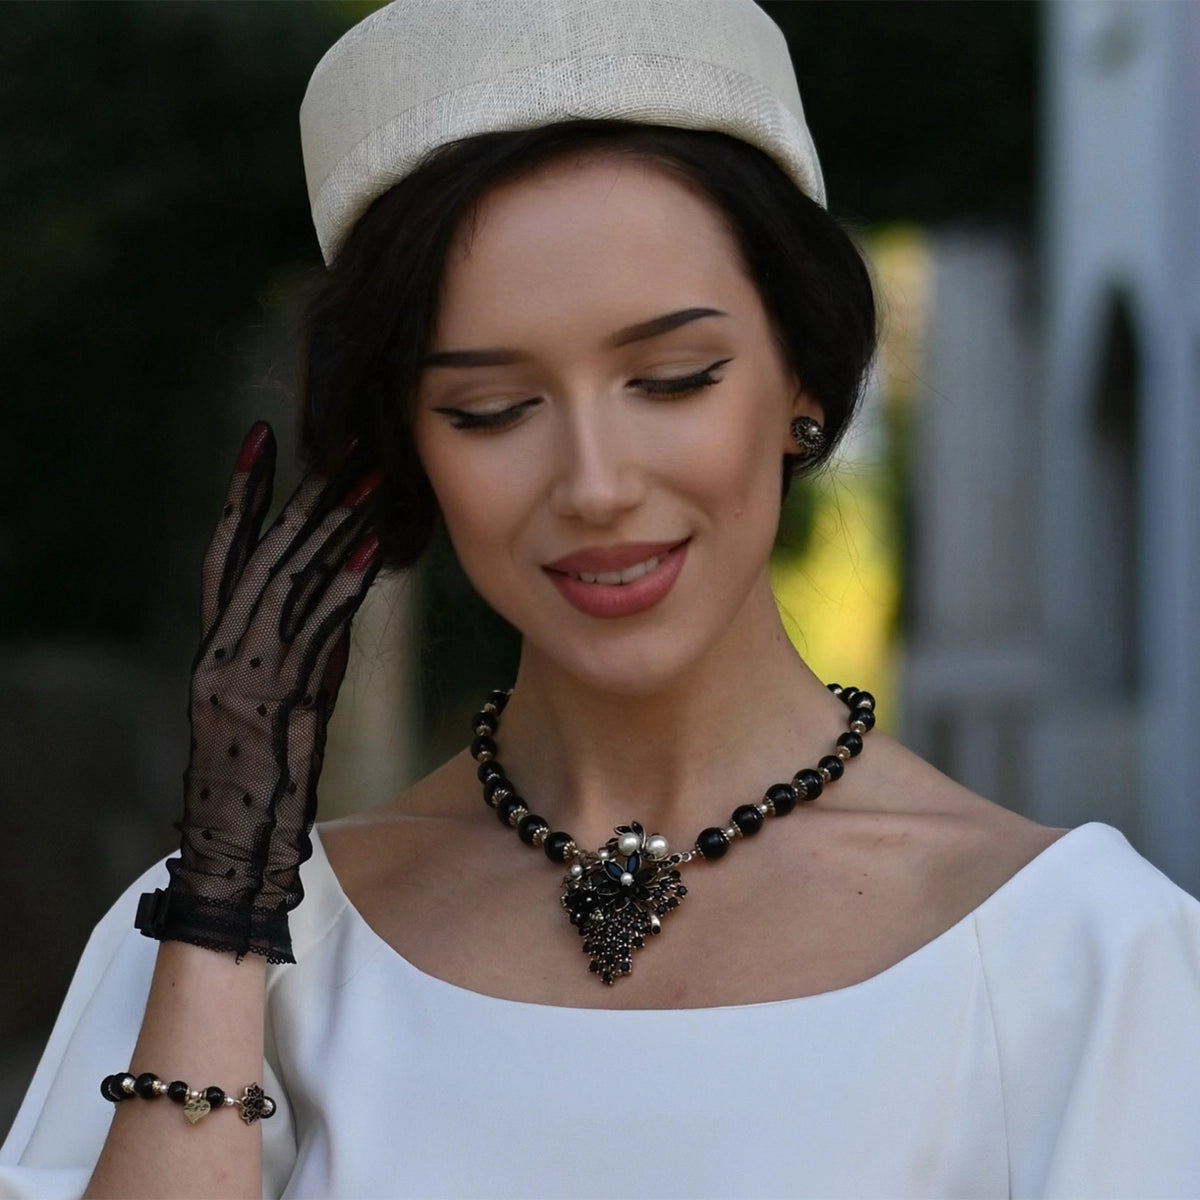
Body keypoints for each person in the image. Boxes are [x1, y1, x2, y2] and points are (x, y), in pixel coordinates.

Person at [3, 1, 1199, 1196]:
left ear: (805, 382)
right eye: (490, 409)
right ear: (405, 450)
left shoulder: (1087, 959)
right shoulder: (232, 937)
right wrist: (224, 922)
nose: (595, 484)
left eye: (673, 380)